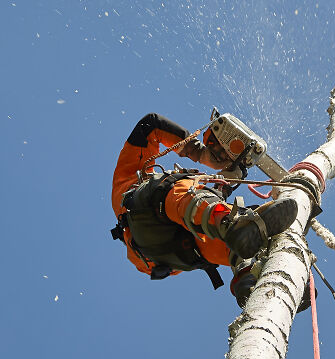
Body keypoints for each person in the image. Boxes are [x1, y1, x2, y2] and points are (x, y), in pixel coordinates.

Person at [110, 113, 302, 308]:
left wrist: (224, 184)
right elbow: (150, 125)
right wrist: (200, 154)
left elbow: (200, 208)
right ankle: (231, 225)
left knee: (248, 226)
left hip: (178, 251)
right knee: (174, 188)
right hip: (148, 224)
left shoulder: (191, 203)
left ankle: (253, 275)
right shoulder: (130, 183)